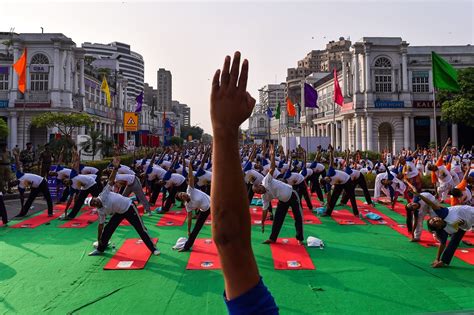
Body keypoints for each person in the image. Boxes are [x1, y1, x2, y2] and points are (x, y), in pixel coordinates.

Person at [210, 52, 278, 313]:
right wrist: (225, 130)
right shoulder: (264, 187)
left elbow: (231, 238)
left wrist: (225, 130)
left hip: (291, 193)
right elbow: (230, 238)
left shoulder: (267, 180)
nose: (257, 187)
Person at [88, 157, 160, 256]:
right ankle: (100, 249)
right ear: (94, 206)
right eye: (93, 204)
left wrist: (116, 168)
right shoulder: (100, 211)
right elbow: (100, 226)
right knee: (107, 230)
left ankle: (153, 249)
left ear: (95, 198)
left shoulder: (103, 194)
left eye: (94, 201)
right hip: (119, 213)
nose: (95, 203)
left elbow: (111, 180)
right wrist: (99, 239)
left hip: (129, 207)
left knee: (140, 228)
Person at [253, 143, 304, 245]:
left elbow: (271, 168)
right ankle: (272, 238)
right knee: (277, 220)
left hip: (292, 195)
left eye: (259, 190)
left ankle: (299, 239)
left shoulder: (266, 180)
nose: (260, 192)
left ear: (259, 185)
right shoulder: (264, 197)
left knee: (298, 217)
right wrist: (262, 222)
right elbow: (264, 209)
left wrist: (272, 155)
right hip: (282, 201)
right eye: (258, 193)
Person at [175, 161, 211, 252]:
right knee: (196, 229)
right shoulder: (188, 206)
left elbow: (190, 178)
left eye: (183, 193)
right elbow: (189, 218)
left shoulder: (190, 190)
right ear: (182, 200)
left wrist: (190, 166)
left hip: (212, 203)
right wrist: (188, 230)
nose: (184, 195)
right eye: (182, 196)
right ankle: (186, 246)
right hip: (205, 210)